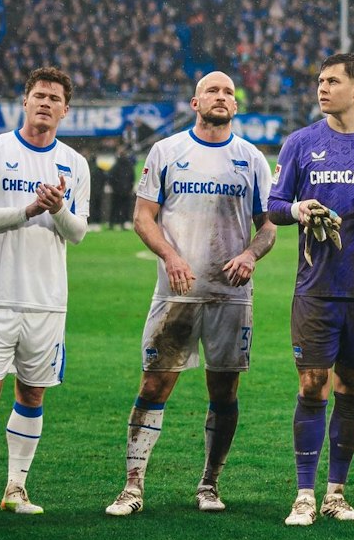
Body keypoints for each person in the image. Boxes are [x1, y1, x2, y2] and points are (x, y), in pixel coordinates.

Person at [105, 71, 276, 517]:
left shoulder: (251, 158)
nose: (221, 97)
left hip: (230, 295)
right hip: (176, 294)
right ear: (195, 103)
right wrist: (170, 256)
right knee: (154, 383)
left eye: (228, 93)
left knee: (224, 390)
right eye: (212, 91)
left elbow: (269, 226)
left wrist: (251, 256)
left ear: (235, 106)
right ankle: (132, 486)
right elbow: (144, 216)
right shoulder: (167, 151)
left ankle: (209, 484)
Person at [267, 53, 354, 526]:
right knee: (312, 385)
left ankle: (336, 493)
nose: (322, 89)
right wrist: (299, 210)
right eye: (320, 81)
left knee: (353, 387)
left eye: (332, 81)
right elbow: (275, 205)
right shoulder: (301, 143)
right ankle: (304, 494)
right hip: (317, 286)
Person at [0, 66, 91, 520]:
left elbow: (79, 232)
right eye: (39, 95)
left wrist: (58, 208)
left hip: (48, 302)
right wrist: (29, 209)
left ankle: (16, 488)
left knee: (32, 395)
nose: (46, 103)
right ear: (24, 101)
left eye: (54, 98)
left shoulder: (75, 163)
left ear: (66, 110)